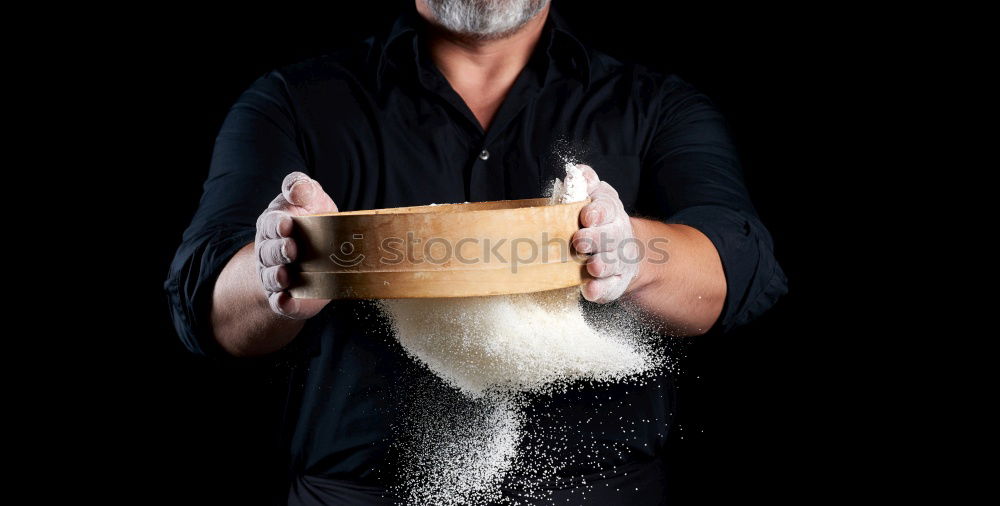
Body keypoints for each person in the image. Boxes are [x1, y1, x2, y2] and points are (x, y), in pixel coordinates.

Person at [165, 0, 787, 503]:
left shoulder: (657, 105)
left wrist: (633, 258)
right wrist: (277, 274)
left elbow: (739, 269)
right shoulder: (291, 102)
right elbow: (205, 303)